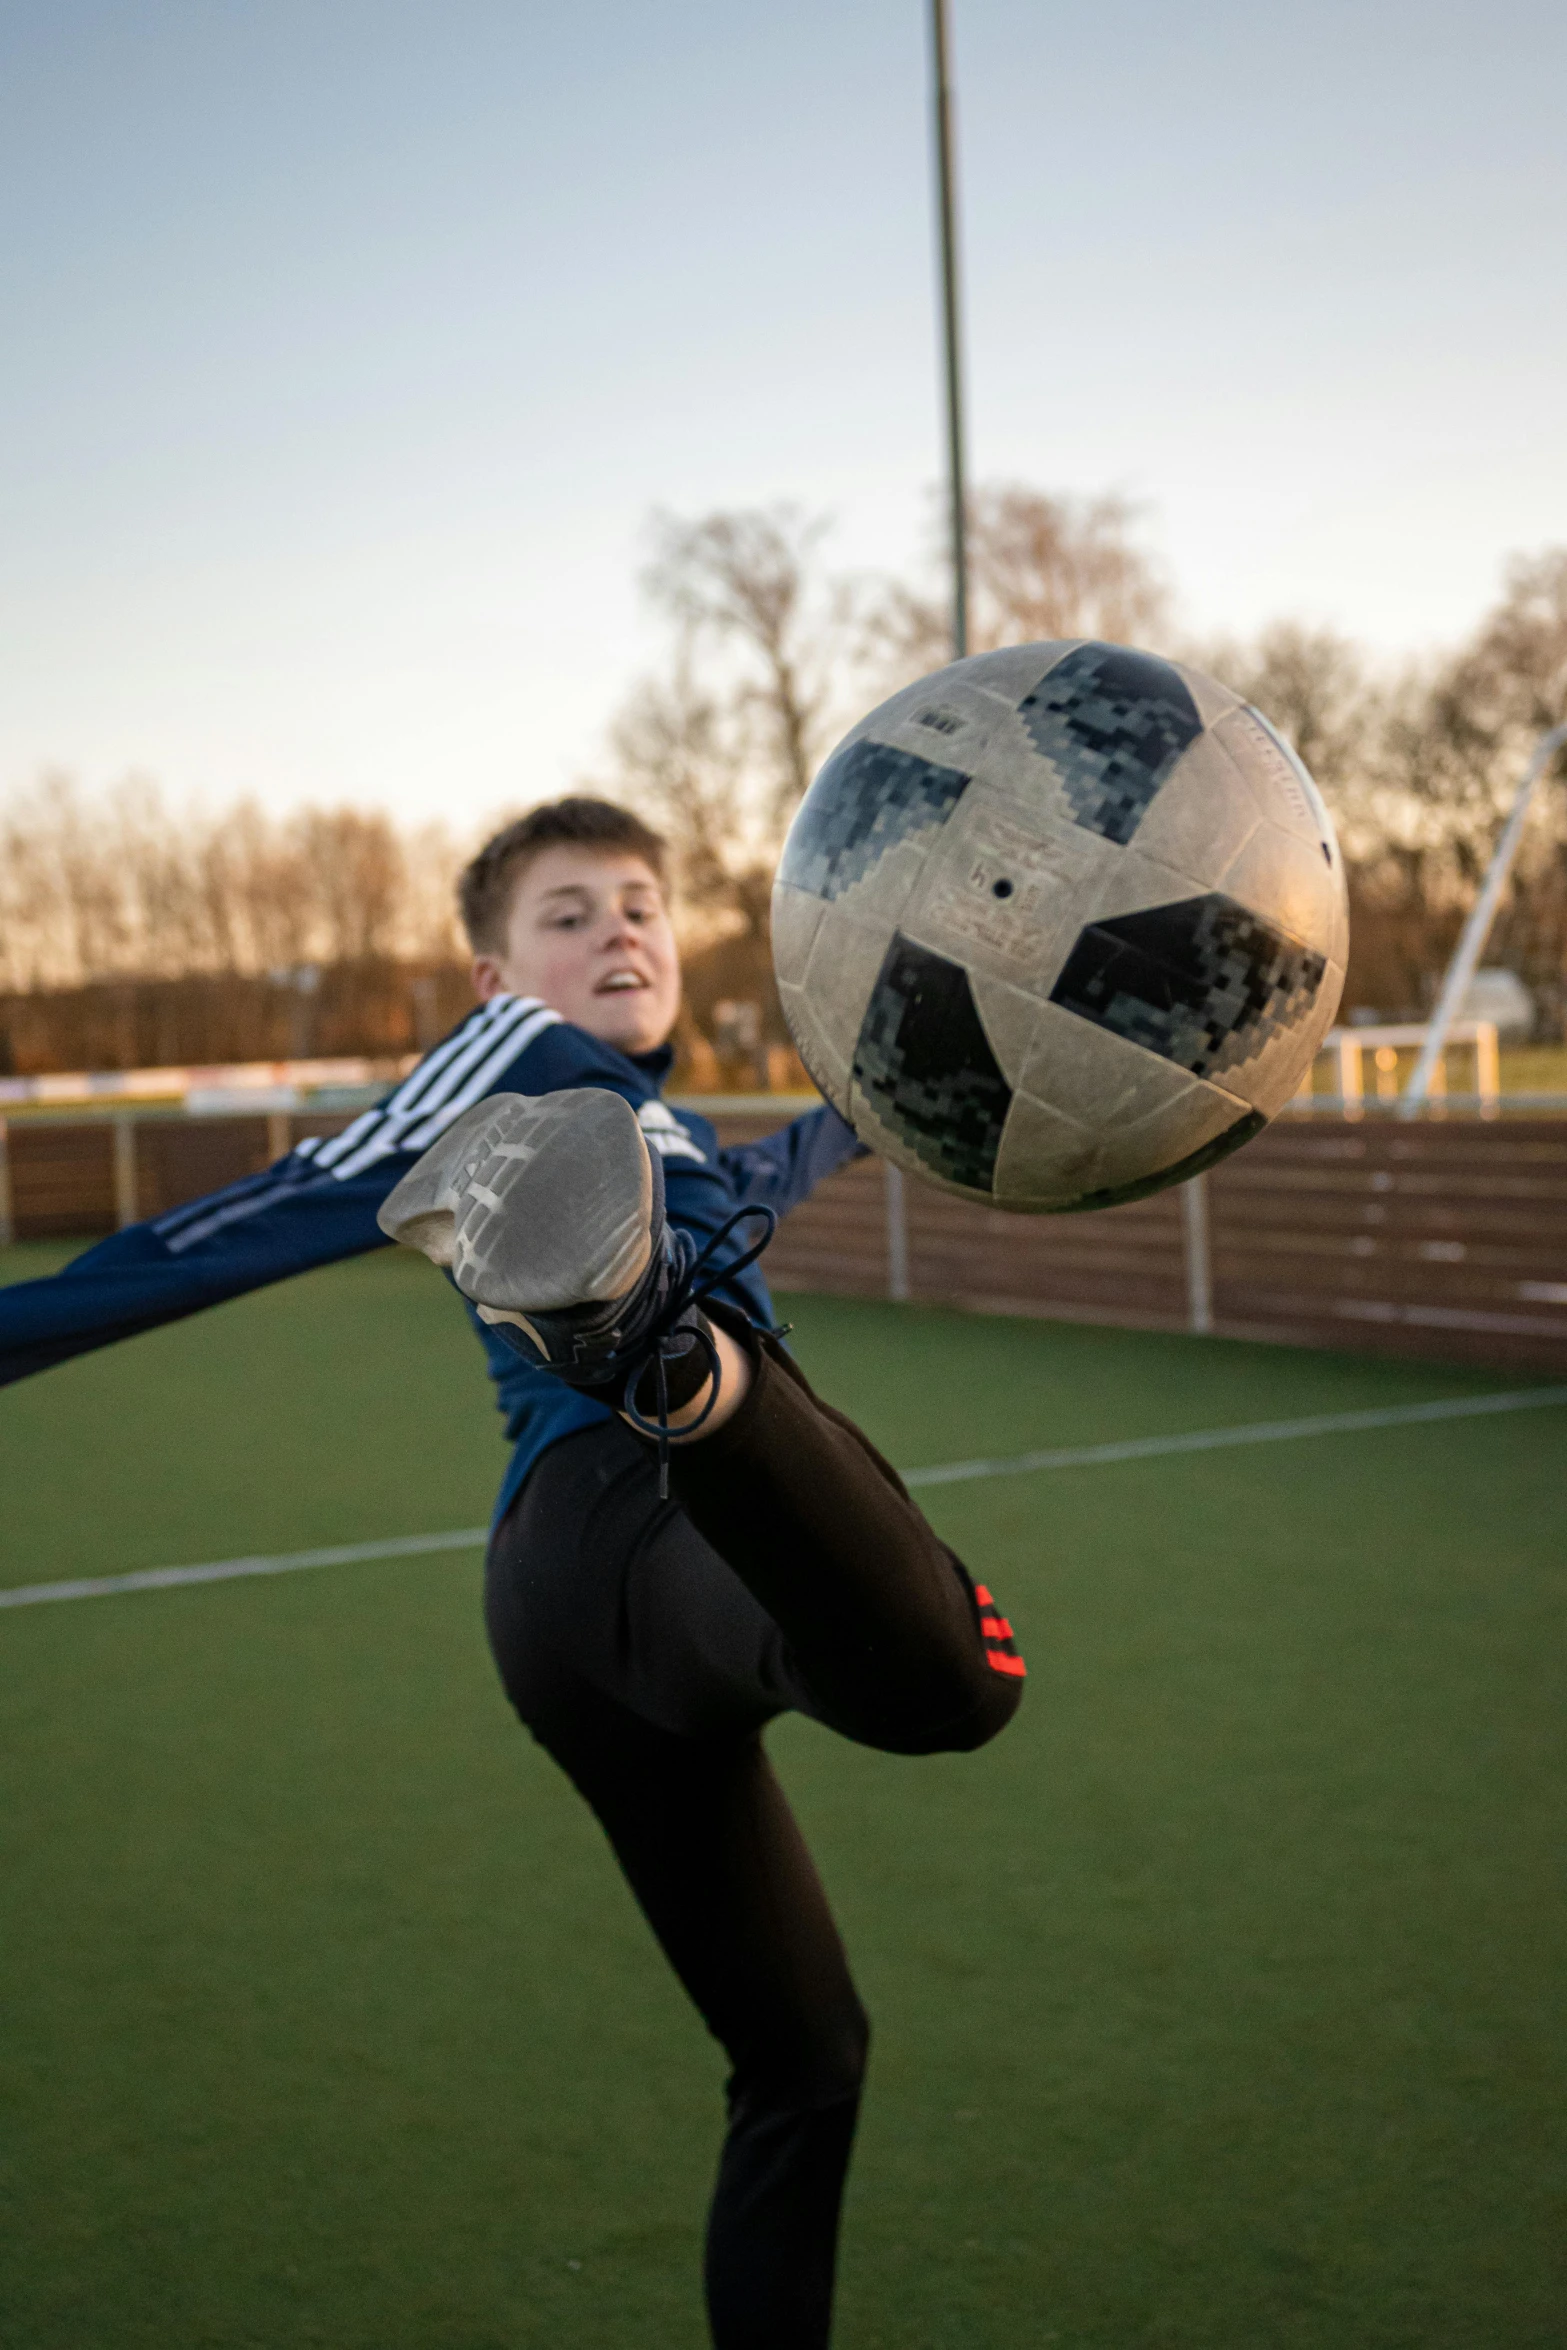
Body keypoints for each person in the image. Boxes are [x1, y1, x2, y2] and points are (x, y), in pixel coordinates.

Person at [0, 797, 1024, 2348]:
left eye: (639, 904)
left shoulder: (653, 1124)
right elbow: (238, 1224)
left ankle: (671, 1351)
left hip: (573, 1615)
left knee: (807, 2058)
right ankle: (670, 1363)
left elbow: (771, 1164)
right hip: (628, 1512)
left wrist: (873, 1090)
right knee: (955, 1678)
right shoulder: (515, 1066)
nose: (619, 926)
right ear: (493, 980)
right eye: (567, 913)